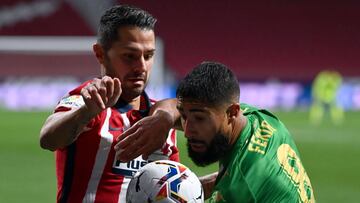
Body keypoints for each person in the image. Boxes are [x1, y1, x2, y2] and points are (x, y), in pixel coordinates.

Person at [39, 5, 179, 203]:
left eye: (148, 56)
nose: (141, 67)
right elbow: (48, 139)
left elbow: (174, 192)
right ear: (100, 54)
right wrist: (86, 113)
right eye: (130, 56)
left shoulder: (161, 119)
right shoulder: (87, 100)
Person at [175, 61, 315, 202]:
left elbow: (242, 182)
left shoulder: (237, 190)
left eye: (199, 119)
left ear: (232, 113)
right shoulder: (260, 118)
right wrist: (163, 117)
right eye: (183, 116)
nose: (187, 132)